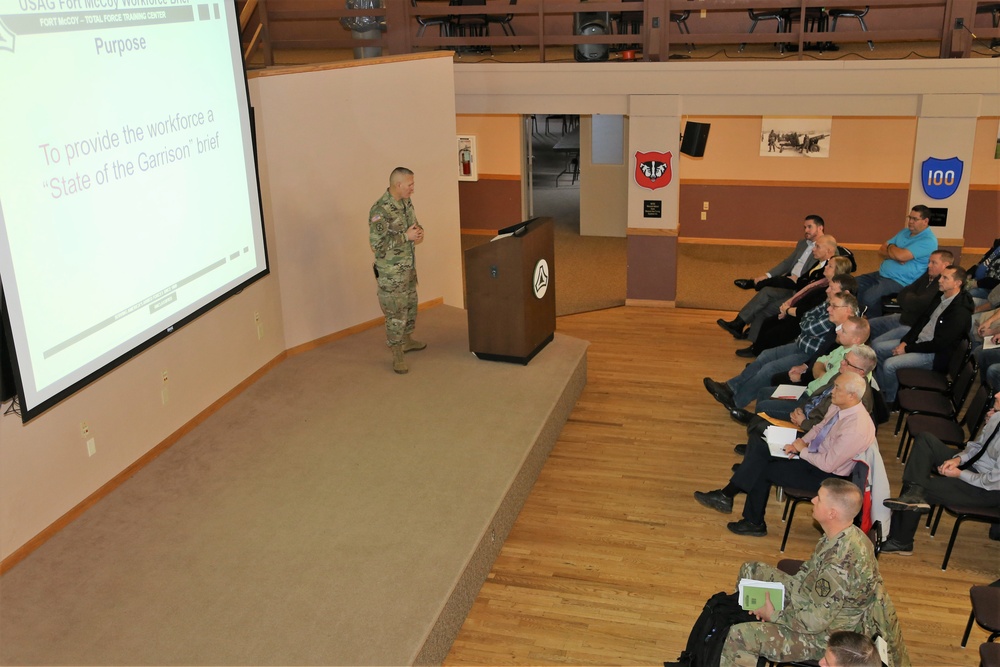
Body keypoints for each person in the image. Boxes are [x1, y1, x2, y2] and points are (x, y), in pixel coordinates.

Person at [719, 479, 908, 667]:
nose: (813, 501)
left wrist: (775, 615)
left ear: (831, 513)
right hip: (811, 602)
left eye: (819, 499)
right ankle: (751, 617)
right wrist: (787, 596)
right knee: (750, 570)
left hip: (825, 636)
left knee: (739, 637)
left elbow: (815, 622)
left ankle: (752, 629)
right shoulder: (845, 533)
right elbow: (809, 571)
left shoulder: (839, 564)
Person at [695, 373, 875, 537]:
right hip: (814, 452)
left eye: (837, 388)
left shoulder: (856, 428)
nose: (832, 392)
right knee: (761, 441)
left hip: (826, 474)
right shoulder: (840, 406)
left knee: (762, 468)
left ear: (852, 396)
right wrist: (801, 442)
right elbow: (819, 428)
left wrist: (802, 450)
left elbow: (828, 464)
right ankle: (729, 494)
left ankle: (751, 519)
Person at [880, 393, 1000, 555]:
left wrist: (959, 474)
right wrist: (958, 459)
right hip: (975, 467)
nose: (996, 395)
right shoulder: (996, 417)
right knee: (925, 441)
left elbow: (991, 482)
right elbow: (977, 446)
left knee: (924, 487)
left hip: (988, 490)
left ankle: (901, 541)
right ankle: (913, 495)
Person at [705, 292, 858, 412]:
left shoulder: (848, 334)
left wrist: (805, 368)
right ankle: (730, 387)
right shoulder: (838, 325)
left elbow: (823, 361)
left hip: (809, 358)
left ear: (848, 310)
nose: (828, 309)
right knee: (765, 355)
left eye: (833, 306)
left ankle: (736, 401)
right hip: (804, 351)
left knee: (770, 369)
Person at [872, 265, 973, 404]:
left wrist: (907, 349)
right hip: (919, 343)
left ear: (957, 283)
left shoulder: (960, 312)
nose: (939, 280)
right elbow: (922, 320)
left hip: (935, 355)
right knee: (877, 349)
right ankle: (885, 390)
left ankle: (891, 402)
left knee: (890, 365)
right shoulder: (941, 295)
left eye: (945, 278)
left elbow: (938, 344)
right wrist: (906, 342)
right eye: (941, 276)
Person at [720, 231, 834, 341]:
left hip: (798, 293)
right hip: (793, 286)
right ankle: (740, 324)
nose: (814, 248)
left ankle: (755, 339)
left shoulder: (830, 263)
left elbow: (812, 287)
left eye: (809, 227)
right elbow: (788, 263)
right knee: (766, 291)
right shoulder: (806, 247)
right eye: (805, 227)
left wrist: (795, 287)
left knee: (766, 307)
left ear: (820, 228)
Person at [369, 167, 426, 374]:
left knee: (410, 304)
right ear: (398, 185)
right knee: (395, 312)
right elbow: (377, 246)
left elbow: (413, 225)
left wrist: (419, 231)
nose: (413, 188)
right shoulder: (380, 210)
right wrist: (405, 237)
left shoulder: (405, 202)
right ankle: (397, 354)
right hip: (392, 274)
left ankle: (407, 340)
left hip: (408, 268)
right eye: (410, 184)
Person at [855, 205, 938, 318]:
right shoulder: (904, 232)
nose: (910, 222)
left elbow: (901, 256)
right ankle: (858, 317)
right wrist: (895, 253)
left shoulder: (928, 241)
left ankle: (871, 325)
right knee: (854, 285)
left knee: (869, 297)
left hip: (901, 281)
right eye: (910, 218)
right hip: (882, 273)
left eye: (915, 219)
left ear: (925, 221)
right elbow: (882, 249)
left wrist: (893, 250)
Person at [868, 249, 952, 344]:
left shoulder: (942, 285)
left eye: (933, 263)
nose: (929, 265)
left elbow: (919, 303)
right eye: (929, 262)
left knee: (877, 344)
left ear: (946, 265)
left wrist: (911, 298)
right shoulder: (928, 275)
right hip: (904, 317)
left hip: (913, 326)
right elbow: (902, 293)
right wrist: (912, 299)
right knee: (868, 325)